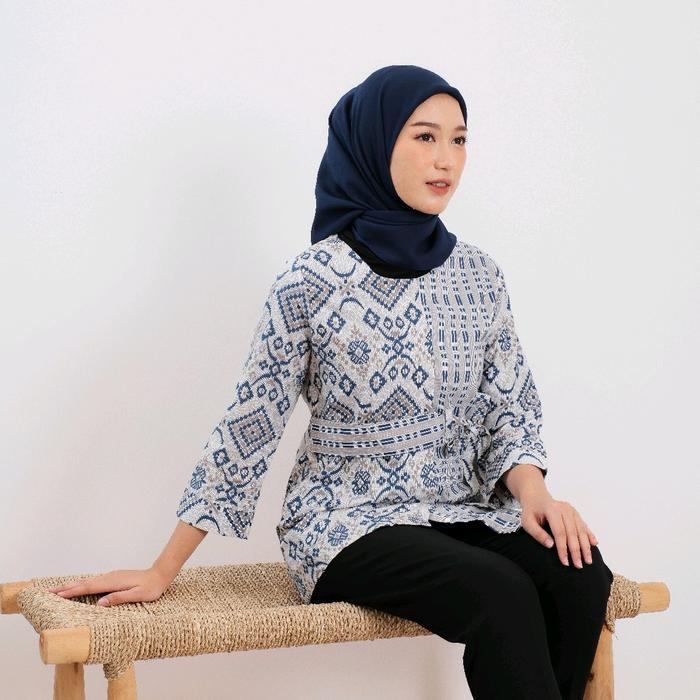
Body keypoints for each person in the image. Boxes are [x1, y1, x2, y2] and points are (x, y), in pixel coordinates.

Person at [48, 65, 613, 700]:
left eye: (459, 139)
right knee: (501, 592)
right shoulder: (311, 281)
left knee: (581, 576)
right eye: (424, 136)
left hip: (459, 510)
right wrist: (162, 570)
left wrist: (535, 493)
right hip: (346, 523)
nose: (446, 159)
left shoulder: (480, 274)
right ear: (373, 143)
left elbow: (508, 405)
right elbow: (250, 428)